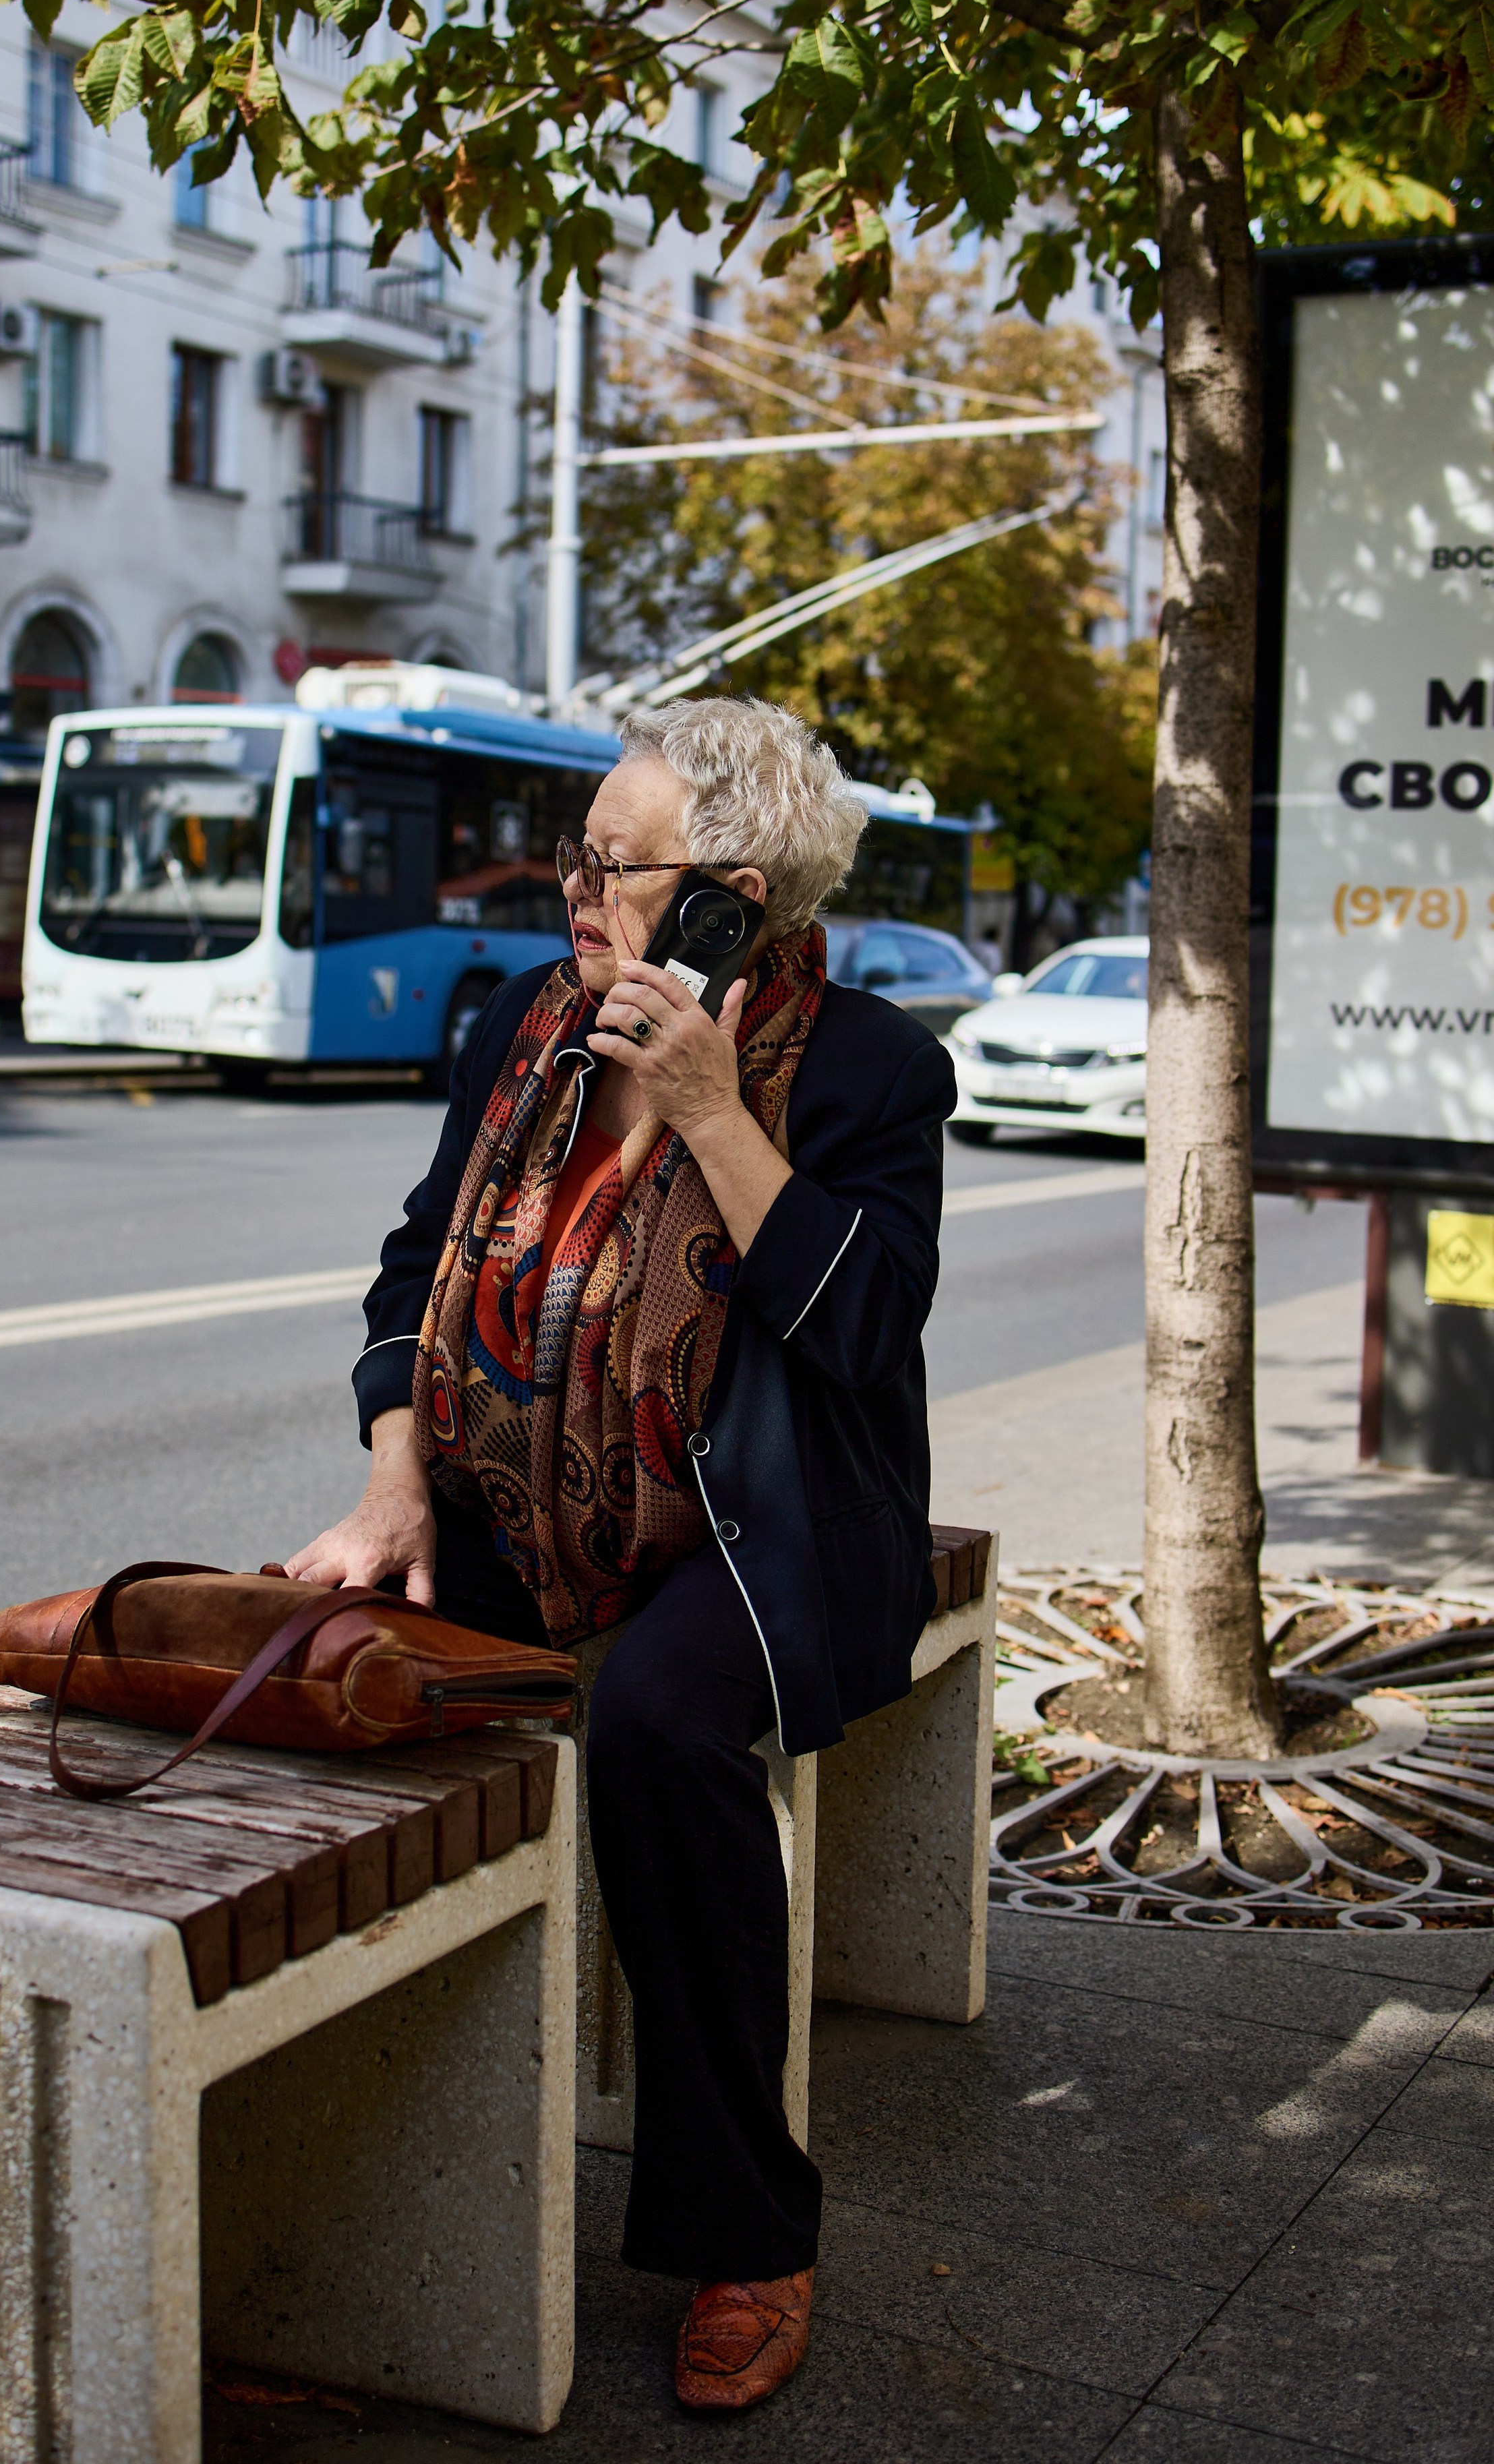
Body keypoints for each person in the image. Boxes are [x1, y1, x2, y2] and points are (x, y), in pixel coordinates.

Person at [288, 696, 954, 2415]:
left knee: (659, 1729)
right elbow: (413, 1265)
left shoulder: (874, 1070)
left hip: (764, 1526)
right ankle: (331, 2169)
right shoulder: (528, 1027)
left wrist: (718, 1113)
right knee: (328, 1655)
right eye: (574, 853)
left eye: (609, 862)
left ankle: (749, 2232)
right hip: (521, 1503)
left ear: (729, 895)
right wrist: (394, 1476)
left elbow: (861, 1332)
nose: (567, 888)